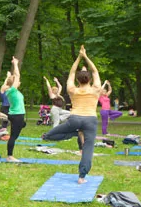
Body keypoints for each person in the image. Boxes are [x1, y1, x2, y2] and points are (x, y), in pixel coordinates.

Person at [42, 45, 102, 184]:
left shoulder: (72, 89)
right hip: (90, 121)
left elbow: (72, 71)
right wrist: (85, 56)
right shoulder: (96, 89)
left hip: (74, 119)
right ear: (90, 80)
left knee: (49, 135)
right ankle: (82, 177)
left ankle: (74, 133)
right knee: (88, 148)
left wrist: (79, 57)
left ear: (78, 80)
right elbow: (95, 70)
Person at [0, 57, 26, 162]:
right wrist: (15, 64)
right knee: (13, 137)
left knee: (21, 126)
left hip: (17, 115)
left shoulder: (13, 91)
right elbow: (18, 76)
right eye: (17, 81)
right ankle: (10, 156)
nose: (19, 81)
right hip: (17, 115)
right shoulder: (12, 91)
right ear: (14, 83)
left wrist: (9, 76)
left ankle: (10, 156)